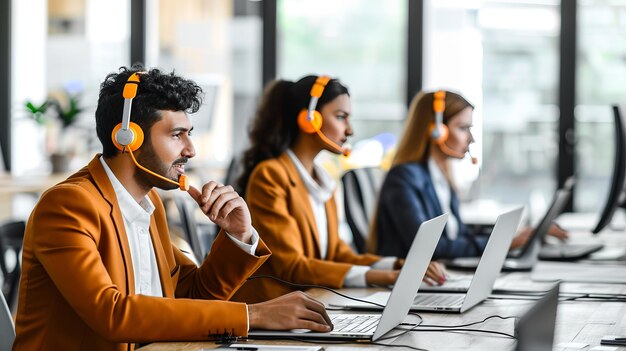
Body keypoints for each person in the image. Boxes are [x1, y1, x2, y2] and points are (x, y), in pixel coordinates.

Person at [12, 66, 333, 351]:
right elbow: (111, 313)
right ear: (128, 137)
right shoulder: (69, 204)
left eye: (189, 134)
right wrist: (254, 314)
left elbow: (191, 295)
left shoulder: (149, 203)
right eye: (177, 135)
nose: (190, 150)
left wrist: (237, 234)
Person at [232, 75, 446, 304]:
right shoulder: (271, 175)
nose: (350, 130)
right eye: (341, 117)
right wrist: (386, 277)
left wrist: (398, 265)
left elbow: (337, 254)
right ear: (309, 119)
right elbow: (292, 266)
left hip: (316, 299)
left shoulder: (325, 182)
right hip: (275, 307)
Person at [371, 90, 568, 259]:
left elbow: (458, 234)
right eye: (464, 128)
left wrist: (514, 235)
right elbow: (431, 248)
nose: (471, 139)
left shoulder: (439, 177)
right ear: (437, 131)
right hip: (407, 285)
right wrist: (507, 242)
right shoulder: (404, 178)